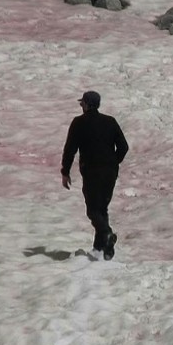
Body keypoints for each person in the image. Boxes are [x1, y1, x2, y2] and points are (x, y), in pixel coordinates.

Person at [61, 91, 129, 260]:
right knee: (102, 208)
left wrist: (65, 171)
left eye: (82, 103)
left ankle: (106, 234)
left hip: (92, 171)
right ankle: (102, 250)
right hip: (110, 172)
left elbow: (70, 149)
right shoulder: (110, 121)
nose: (80, 105)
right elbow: (124, 147)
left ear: (87, 104)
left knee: (92, 210)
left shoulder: (79, 123)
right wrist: (114, 162)